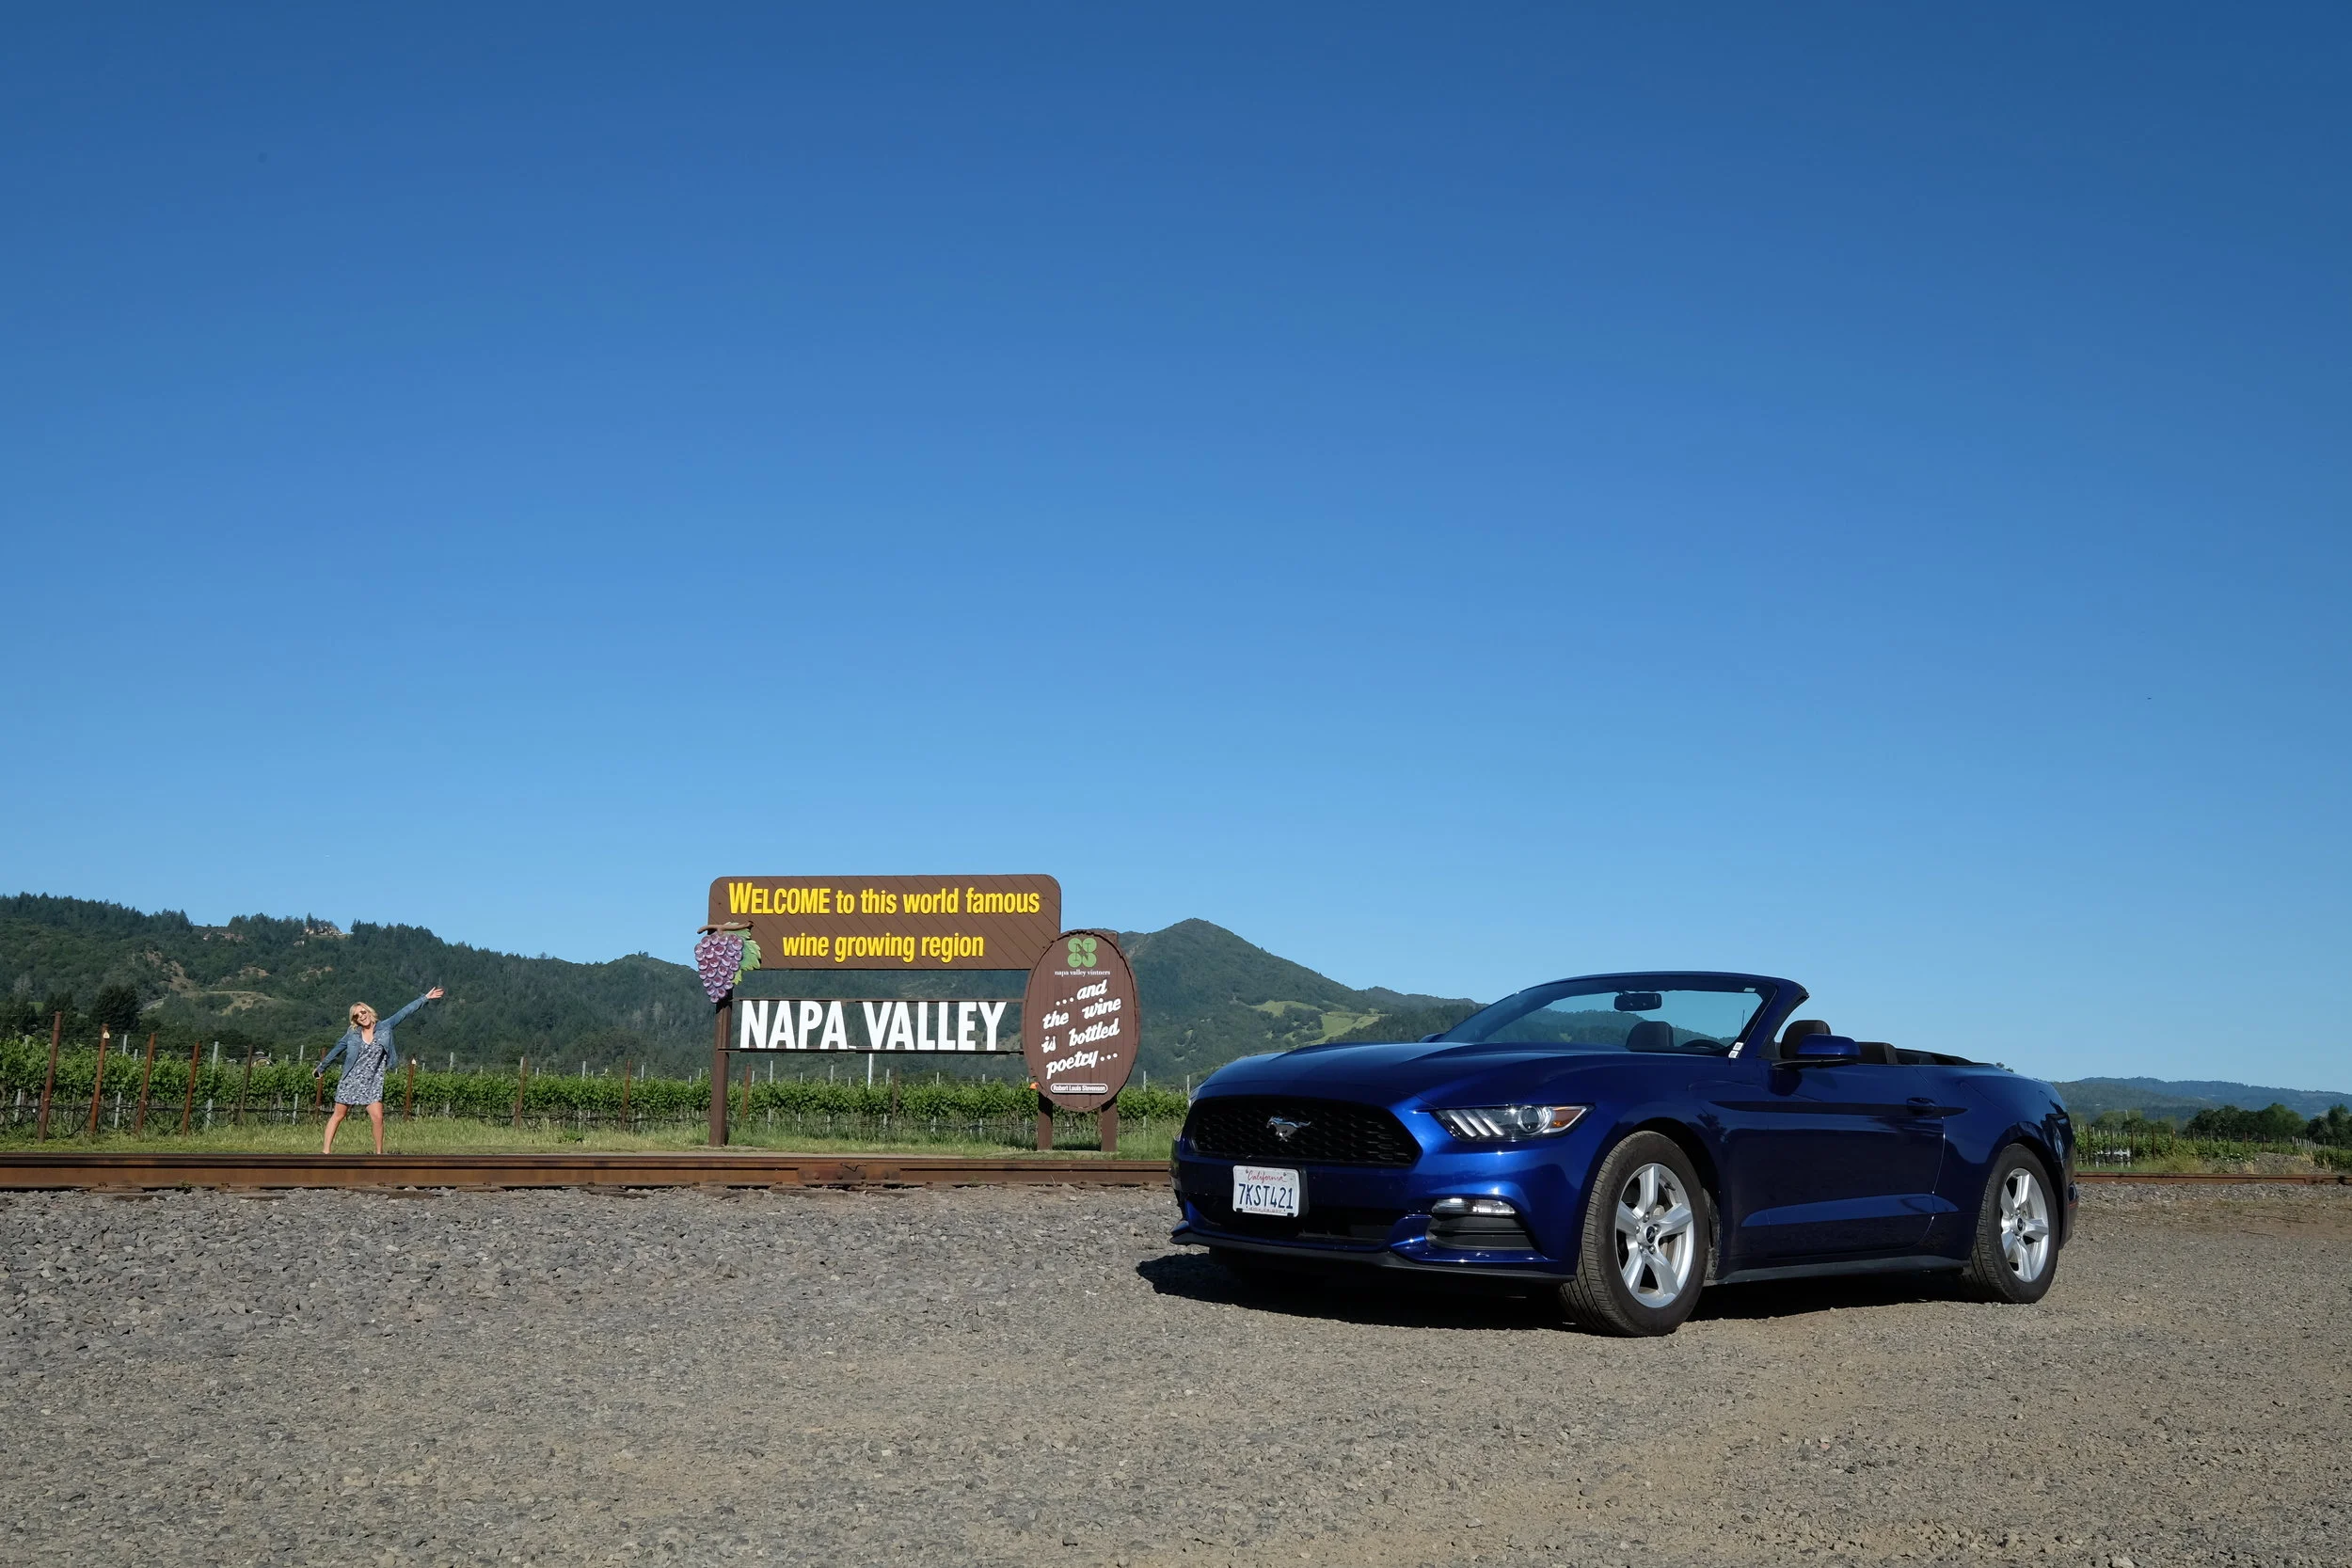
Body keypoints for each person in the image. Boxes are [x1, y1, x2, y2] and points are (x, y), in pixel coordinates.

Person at [317, 988, 443, 1153]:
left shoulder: (385, 1027)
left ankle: (379, 1155)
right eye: (356, 1015)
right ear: (354, 1020)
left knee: (378, 1118)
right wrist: (321, 1068)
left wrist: (425, 998)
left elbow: (404, 1012)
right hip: (351, 1080)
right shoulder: (352, 1034)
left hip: (373, 1081)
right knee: (338, 1115)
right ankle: (326, 1153)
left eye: (362, 1012)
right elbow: (336, 1050)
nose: (361, 1016)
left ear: (369, 1012)